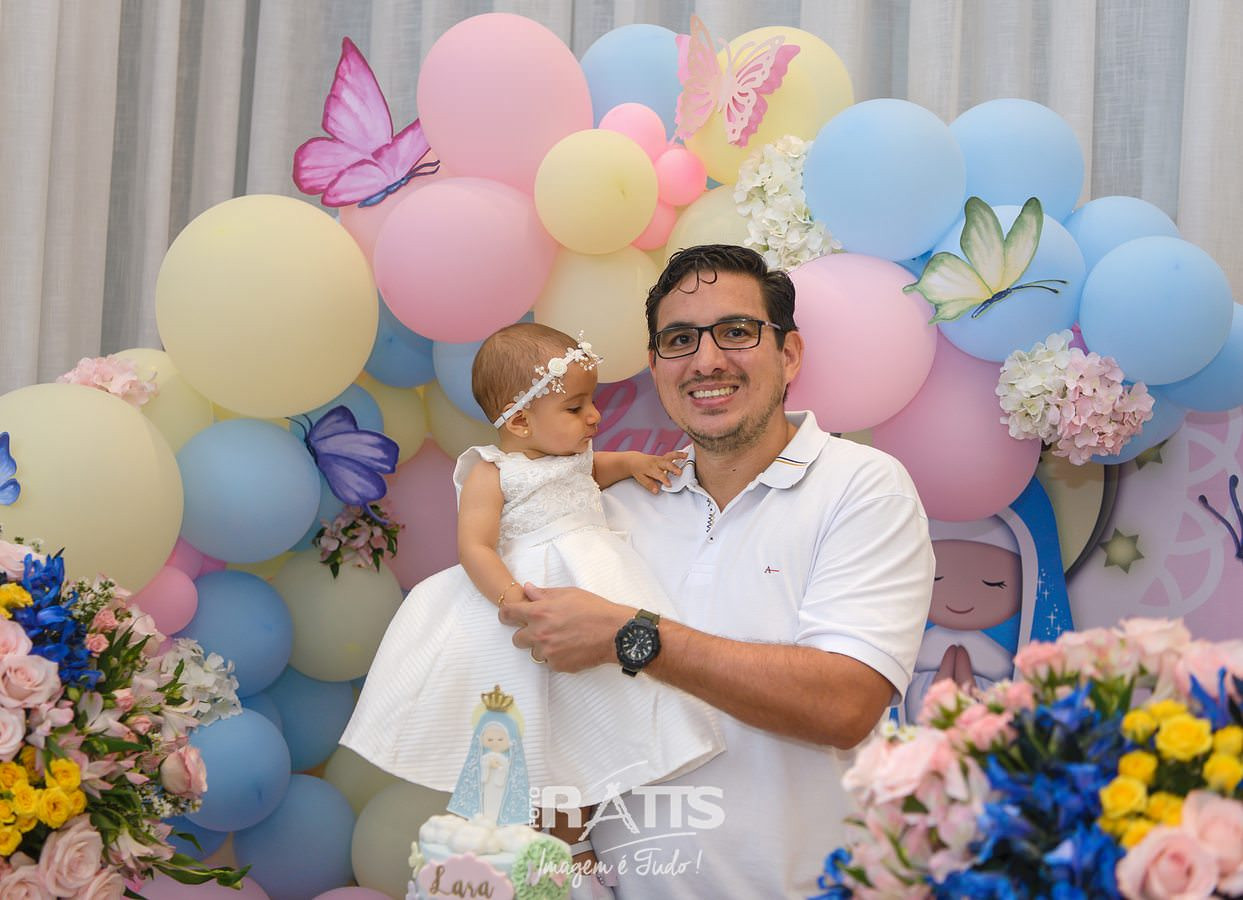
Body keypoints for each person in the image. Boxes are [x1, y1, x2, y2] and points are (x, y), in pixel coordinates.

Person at [497, 245, 936, 899]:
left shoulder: (861, 487)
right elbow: (551, 721)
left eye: (735, 331)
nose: (706, 360)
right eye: (679, 340)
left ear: (789, 354)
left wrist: (630, 636)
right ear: (655, 367)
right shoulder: (606, 510)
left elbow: (845, 704)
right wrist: (577, 871)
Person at [339, 323, 723, 844]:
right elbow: (475, 546)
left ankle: (581, 833)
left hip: (595, 589)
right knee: (535, 732)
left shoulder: (572, 459)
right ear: (520, 420)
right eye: (576, 407)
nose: (595, 416)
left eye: (591, 403)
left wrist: (634, 463)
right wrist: (513, 600)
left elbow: (595, 469)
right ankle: (547, 844)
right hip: (535, 598)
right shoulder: (492, 472)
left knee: (593, 716)